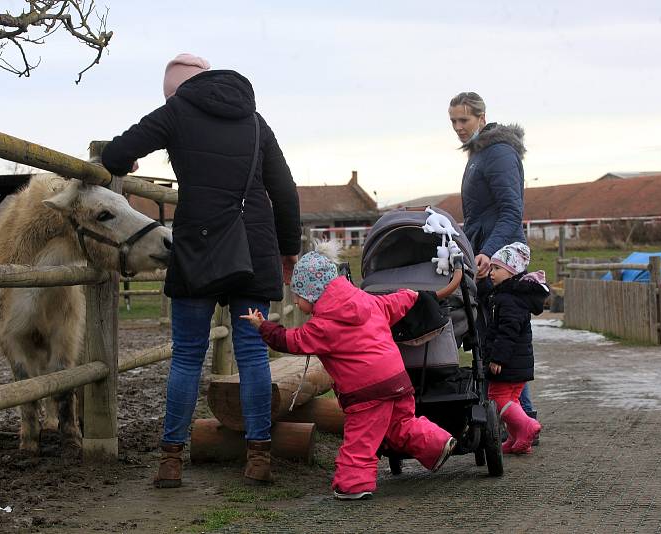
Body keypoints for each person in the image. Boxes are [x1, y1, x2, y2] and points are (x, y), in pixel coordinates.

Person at [101, 53, 301, 487]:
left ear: (174, 90)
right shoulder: (254, 120)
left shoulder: (176, 111)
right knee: (252, 353)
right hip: (253, 246)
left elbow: (116, 153)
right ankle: (259, 456)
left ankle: (171, 460)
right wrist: (288, 249)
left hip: (199, 246)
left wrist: (126, 164)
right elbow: (283, 188)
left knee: (188, 355)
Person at [240, 241, 456, 500]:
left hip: (367, 392)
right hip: (397, 380)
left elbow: (290, 341)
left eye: (298, 295)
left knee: (360, 439)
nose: (296, 302)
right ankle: (437, 442)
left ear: (313, 293)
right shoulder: (365, 300)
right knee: (400, 425)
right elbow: (393, 302)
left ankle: (353, 485)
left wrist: (263, 327)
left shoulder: (323, 326)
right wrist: (415, 295)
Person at [447, 91, 539, 427]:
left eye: (464, 120)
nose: (458, 127)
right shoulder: (478, 155)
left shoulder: (497, 152)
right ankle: (516, 416)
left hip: (502, 260)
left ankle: (522, 416)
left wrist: (489, 251)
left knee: (503, 336)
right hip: (486, 256)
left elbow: (511, 211)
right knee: (491, 336)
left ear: (481, 118)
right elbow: (479, 216)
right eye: (453, 121)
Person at [483, 242, 549, 454]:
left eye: (497, 269)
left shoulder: (508, 299)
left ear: (511, 272)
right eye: (491, 268)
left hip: (508, 362)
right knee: (512, 400)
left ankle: (527, 426)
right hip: (518, 362)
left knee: (498, 399)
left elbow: (507, 332)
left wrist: (497, 359)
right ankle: (517, 438)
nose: (491, 273)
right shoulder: (514, 296)